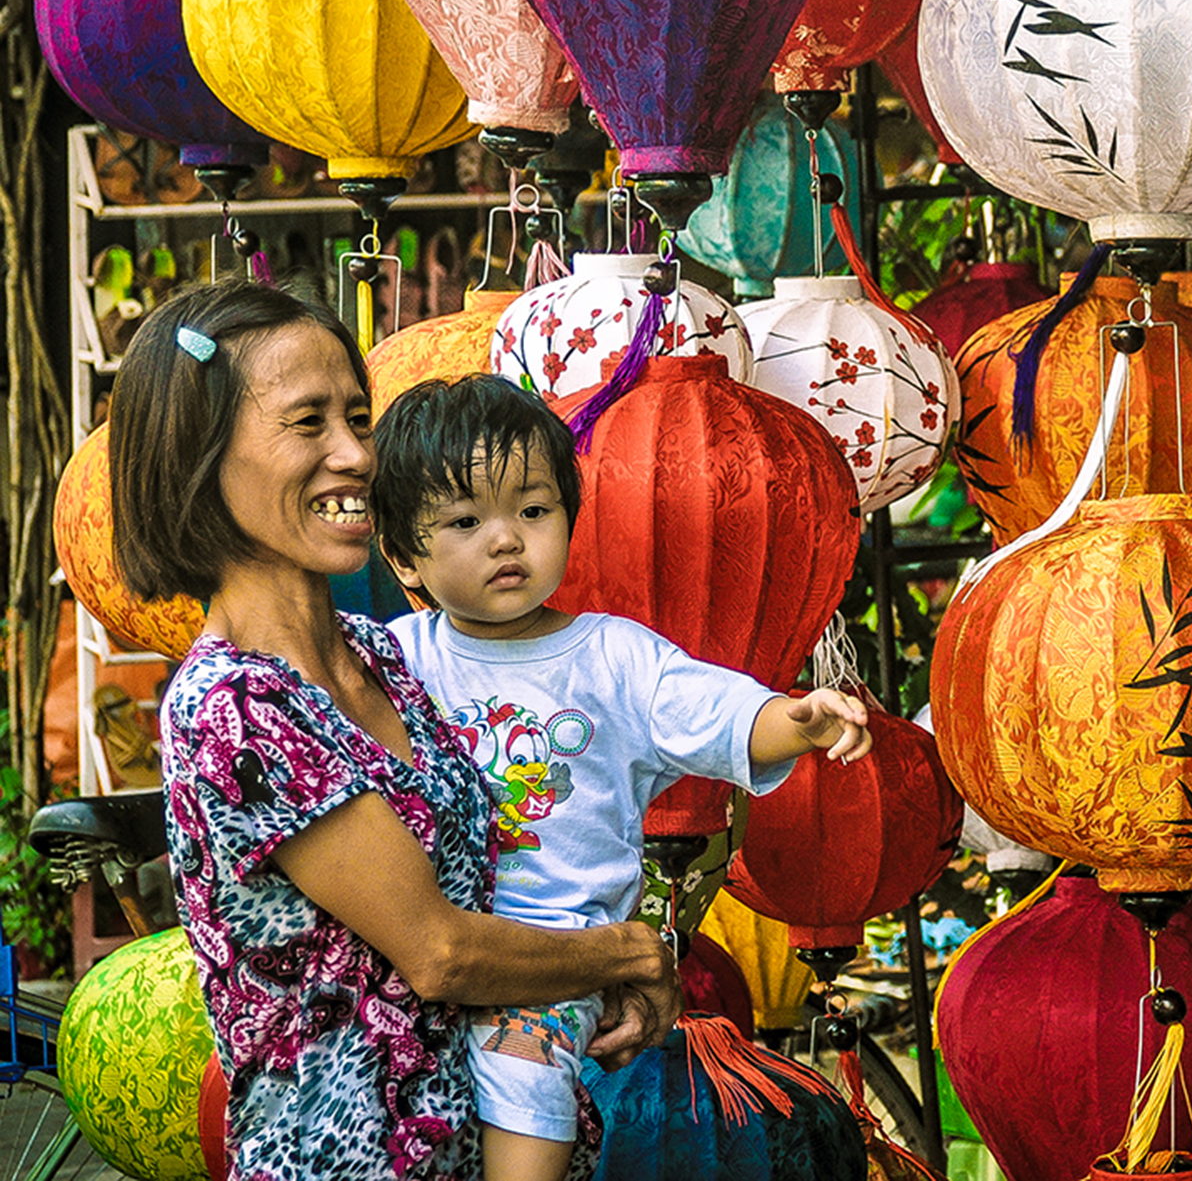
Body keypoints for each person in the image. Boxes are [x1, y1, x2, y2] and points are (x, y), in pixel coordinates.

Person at [119, 281, 681, 1181]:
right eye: (308, 422)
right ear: (202, 455)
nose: (354, 455)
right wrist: (629, 950)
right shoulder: (234, 705)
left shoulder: (387, 655)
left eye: (358, 415)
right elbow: (442, 950)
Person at [369, 372, 872, 1181]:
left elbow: (712, 708)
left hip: (554, 955)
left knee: (524, 1080)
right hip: (421, 945)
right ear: (404, 556)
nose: (506, 539)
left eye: (533, 510)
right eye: (466, 520)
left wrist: (796, 719)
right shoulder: (396, 659)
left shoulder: (611, 655)